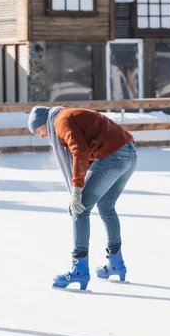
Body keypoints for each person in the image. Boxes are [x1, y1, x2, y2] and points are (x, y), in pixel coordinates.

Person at [28, 106, 137, 290]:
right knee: (106, 206)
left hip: (113, 156)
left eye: (37, 131)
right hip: (129, 155)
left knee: (79, 209)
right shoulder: (67, 115)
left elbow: (80, 151)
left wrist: (77, 190)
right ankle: (115, 263)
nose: (41, 136)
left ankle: (79, 269)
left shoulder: (60, 122)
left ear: (42, 123)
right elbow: (89, 147)